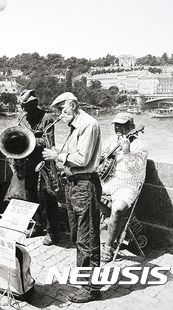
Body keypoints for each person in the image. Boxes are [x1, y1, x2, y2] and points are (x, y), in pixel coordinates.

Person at [42, 92, 102, 303]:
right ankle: (86, 281)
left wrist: (56, 156)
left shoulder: (88, 124)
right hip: (74, 185)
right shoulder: (76, 126)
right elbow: (73, 154)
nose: (59, 115)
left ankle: (91, 288)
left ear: (74, 105)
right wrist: (56, 151)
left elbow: (83, 159)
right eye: (57, 111)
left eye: (62, 110)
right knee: (77, 236)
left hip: (85, 185)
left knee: (87, 238)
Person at [99, 112, 147, 262]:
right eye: (116, 125)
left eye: (123, 125)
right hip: (108, 182)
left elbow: (136, 171)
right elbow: (101, 156)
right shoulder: (112, 140)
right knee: (85, 191)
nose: (119, 128)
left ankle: (109, 246)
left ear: (132, 127)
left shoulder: (139, 146)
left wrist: (126, 151)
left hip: (128, 185)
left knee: (118, 208)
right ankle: (113, 220)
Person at [16, 89, 60, 246]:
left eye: (26, 106)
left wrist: (30, 138)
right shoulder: (22, 119)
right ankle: (38, 226)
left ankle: (53, 232)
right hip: (27, 163)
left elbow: (49, 143)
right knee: (30, 196)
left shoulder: (47, 118)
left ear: (34, 104)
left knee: (47, 197)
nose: (24, 110)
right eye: (22, 106)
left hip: (43, 163)